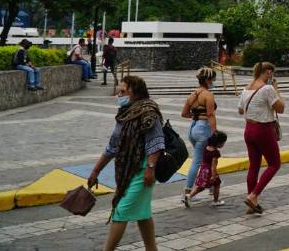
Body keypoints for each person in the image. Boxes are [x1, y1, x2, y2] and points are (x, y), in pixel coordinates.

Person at [87, 76, 164, 251]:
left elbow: (156, 143)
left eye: (123, 91)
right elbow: (112, 147)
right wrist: (95, 171)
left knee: (121, 211)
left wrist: (150, 169)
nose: (119, 95)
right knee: (143, 214)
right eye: (118, 91)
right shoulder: (126, 114)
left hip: (142, 170)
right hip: (128, 171)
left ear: (135, 93)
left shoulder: (148, 112)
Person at [238, 62, 284, 214]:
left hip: (248, 129)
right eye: (272, 73)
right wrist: (277, 90)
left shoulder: (246, 88)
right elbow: (281, 108)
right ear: (268, 72)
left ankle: (252, 203)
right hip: (263, 129)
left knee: (254, 166)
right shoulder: (268, 89)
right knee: (274, 164)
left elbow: (240, 110)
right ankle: (253, 195)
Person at [181, 67, 218, 207]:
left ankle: (211, 186)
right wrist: (215, 132)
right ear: (208, 80)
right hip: (203, 129)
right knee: (198, 161)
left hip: (193, 128)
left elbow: (184, 113)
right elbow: (210, 115)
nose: (214, 81)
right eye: (213, 79)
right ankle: (187, 193)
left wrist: (196, 116)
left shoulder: (193, 94)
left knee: (205, 159)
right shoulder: (208, 95)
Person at [187, 131, 227, 207]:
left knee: (201, 187)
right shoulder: (215, 153)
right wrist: (214, 175)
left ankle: (189, 196)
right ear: (218, 143)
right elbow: (213, 166)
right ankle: (215, 201)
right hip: (210, 172)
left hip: (203, 170)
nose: (223, 144)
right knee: (217, 185)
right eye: (223, 143)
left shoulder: (205, 148)